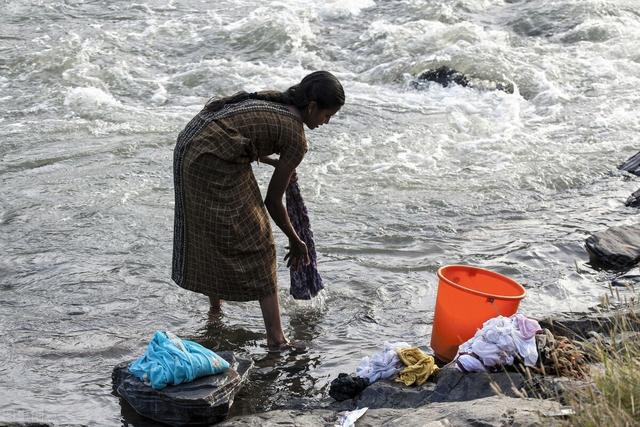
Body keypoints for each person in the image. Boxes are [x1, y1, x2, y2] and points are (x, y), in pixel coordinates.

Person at [172, 71, 345, 351]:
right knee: (261, 245)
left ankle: (215, 310)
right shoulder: (296, 136)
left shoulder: (278, 102)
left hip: (190, 144)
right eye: (328, 115)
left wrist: (276, 165)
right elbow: (273, 201)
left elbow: (241, 134)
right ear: (312, 107)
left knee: (212, 227)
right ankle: (277, 340)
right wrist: (295, 239)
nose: (327, 122)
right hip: (209, 159)